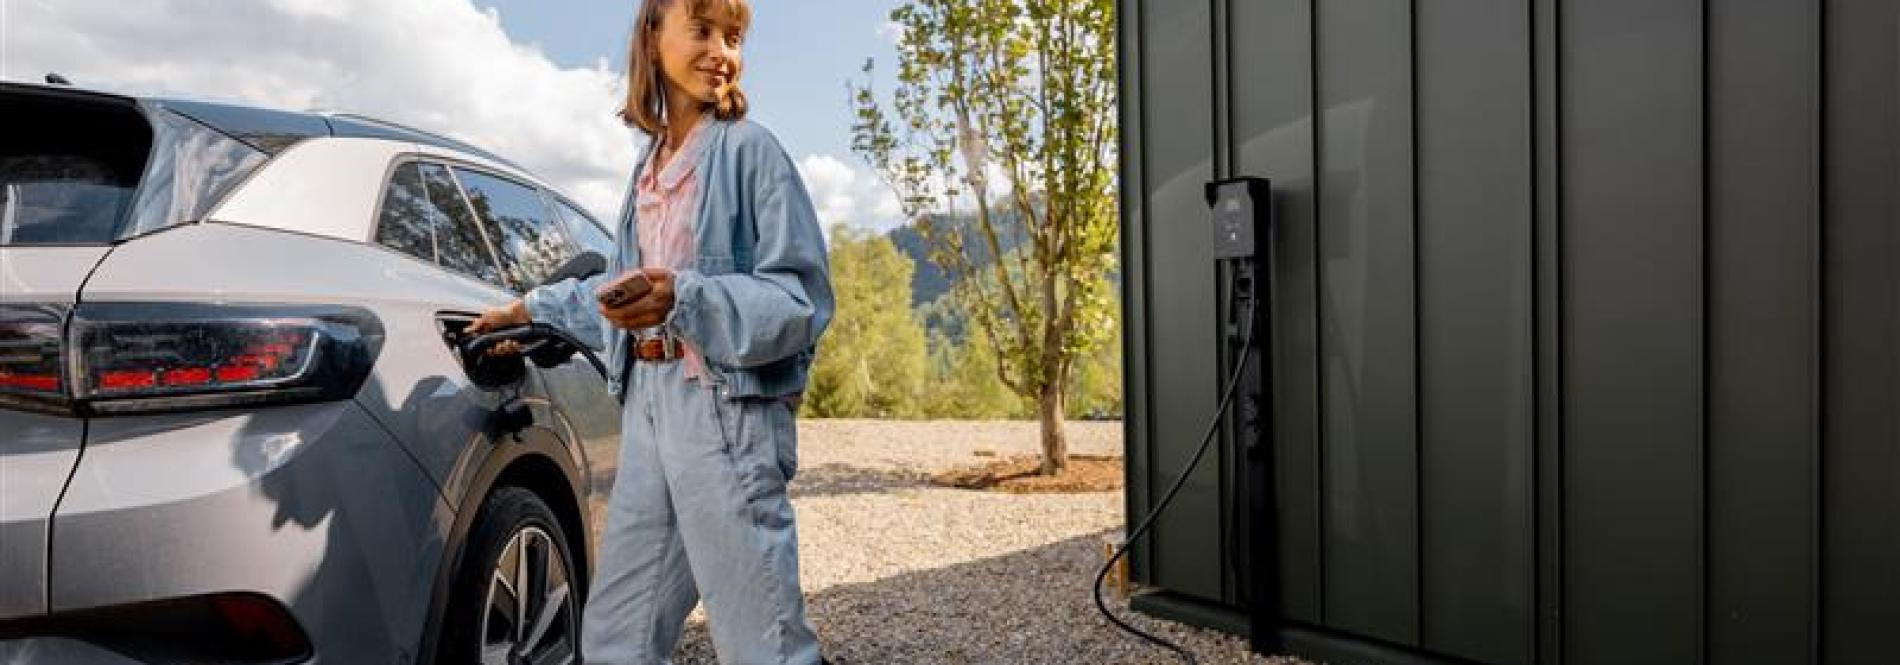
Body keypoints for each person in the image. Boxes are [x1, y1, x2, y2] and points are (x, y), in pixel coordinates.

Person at [465, 0, 833, 662]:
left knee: (761, 635)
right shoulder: (649, 170)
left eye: (734, 36)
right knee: (617, 631)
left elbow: (799, 300)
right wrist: (528, 310)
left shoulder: (752, 151)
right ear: (652, 37)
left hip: (724, 410)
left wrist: (683, 297)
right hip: (648, 409)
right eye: (703, 29)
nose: (723, 50)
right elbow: (619, 294)